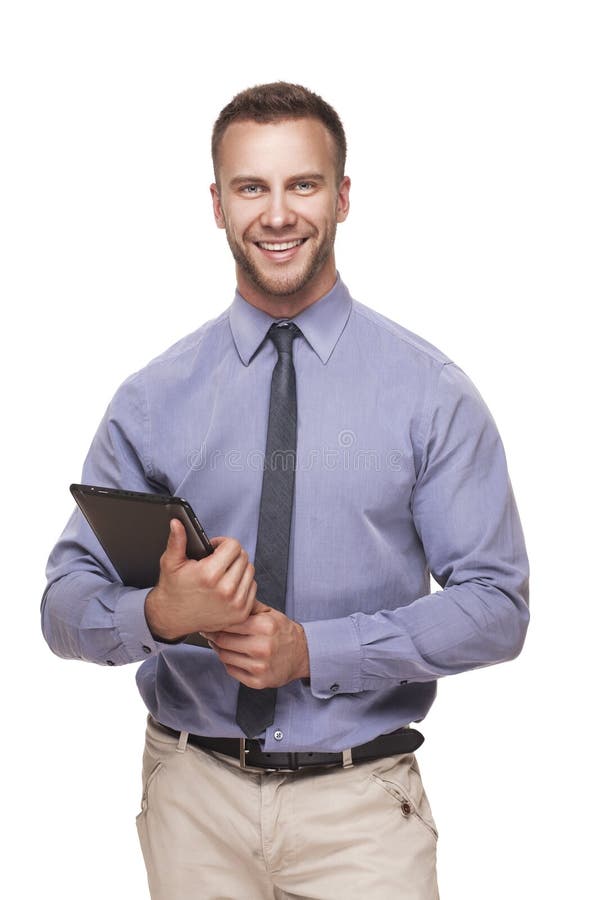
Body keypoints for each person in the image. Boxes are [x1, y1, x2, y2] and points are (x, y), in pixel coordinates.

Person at [41, 81, 530, 900]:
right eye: (250, 187)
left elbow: (497, 607)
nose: (276, 214)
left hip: (361, 813)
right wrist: (162, 614)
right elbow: (62, 606)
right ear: (217, 203)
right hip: (192, 801)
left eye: (301, 185)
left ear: (341, 197)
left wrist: (315, 652)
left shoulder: (430, 393)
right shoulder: (153, 398)